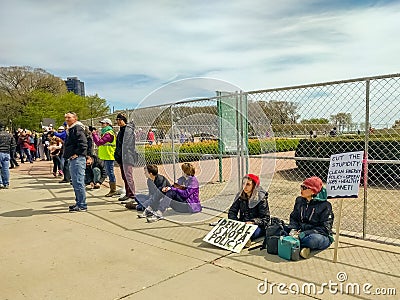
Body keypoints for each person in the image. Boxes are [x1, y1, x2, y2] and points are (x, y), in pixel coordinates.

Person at [285, 176, 334, 259]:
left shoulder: (325, 206)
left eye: (304, 187)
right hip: (299, 232)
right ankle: (300, 247)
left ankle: (293, 244)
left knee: (313, 240)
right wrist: (293, 229)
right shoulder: (299, 200)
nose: (301, 189)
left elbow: (325, 228)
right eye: (301, 186)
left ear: (313, 191)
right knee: (279, 229)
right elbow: (294, 217)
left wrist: (305, 233)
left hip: (318, 234)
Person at [227, 174, 270, 241]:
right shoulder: (240, 195)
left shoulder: (261, 198)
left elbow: (266, 218)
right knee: (225, 227)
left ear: (254, 186)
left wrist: (253, 222)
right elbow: (232, 211)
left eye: (248, 184)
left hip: (257, 226)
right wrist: (236, 222)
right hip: (243, 222)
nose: (245, 186)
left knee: (249, 233)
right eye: (243, 183)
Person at [63, 112, 88, 212]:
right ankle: (79, 202)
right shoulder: (71, 129)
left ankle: (82, 205)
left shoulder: (77, 128)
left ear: (75, 118)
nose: (67, 119)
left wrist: (77, 153)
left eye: (69, 117)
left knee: (78, 182)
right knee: (75, 182)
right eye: (66, 118)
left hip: (78, 159)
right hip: (74, 158)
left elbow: (83, 143)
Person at [114, 113, 138, 202]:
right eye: (117, 120)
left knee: (128, 176)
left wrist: (121, 153)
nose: (118, 122)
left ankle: (132, 195)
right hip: (122, 156)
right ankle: (128, 193)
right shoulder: (121, 130)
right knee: (124, 176)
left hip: (127, 156)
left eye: (120, 120)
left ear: (124, 120)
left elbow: (126, 144)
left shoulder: (128, 130)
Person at [92, 118, 117, 197]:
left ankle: (113, 190)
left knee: (110, 173)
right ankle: (112, 189)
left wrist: (94, 134)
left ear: (108, 124)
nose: (102, 125)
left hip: (109, 155)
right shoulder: (105, 133)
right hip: (106, 155)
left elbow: (99, 142)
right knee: (108, 172)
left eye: (103, 124)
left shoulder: (109, 133)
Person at [0, 122, 16, 189]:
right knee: (6, 169)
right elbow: (13, 145)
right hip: (7, 152)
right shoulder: (9, 135)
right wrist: (12, 154)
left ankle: (0, 182)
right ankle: (6, 183)